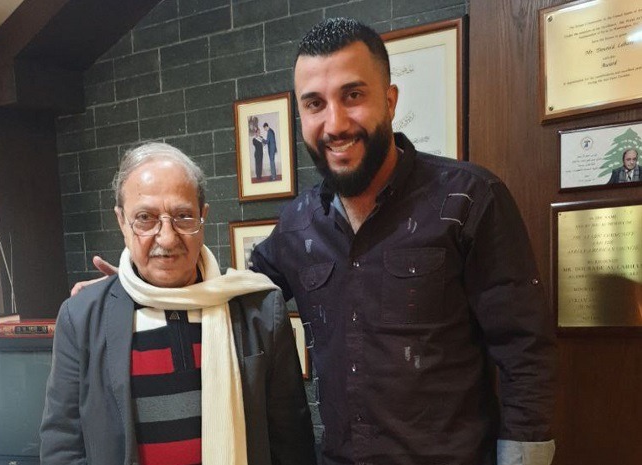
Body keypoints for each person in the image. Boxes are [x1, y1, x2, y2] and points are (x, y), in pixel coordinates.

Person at [73, 18, 556, 465]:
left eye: (353, 95)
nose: (335, 123)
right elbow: (226, 292)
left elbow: (524, 351)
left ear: (390, 101)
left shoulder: (469, 198)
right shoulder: (298, 224)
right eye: (314, 104)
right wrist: (137, 287)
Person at [42, 142, 316, 465]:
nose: (167, 237)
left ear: (203, 216)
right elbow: (63, 448)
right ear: (121, 221)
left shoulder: (259, 311)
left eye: (183, 216)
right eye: (145, 218)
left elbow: (292, 446)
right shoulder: (80, 319)